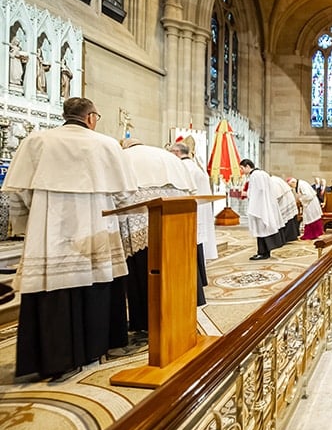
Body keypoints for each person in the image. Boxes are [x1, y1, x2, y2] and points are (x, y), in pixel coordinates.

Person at [3, 97, 138, 382]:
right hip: (95, 229)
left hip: (49, 231)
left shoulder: (37, 140)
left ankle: (53, 358)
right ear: (91, 118)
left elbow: (18, 193)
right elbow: (125, 195)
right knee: (95, 282)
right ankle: (96, 348)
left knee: (54, 288)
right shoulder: (105, 144)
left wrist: (34, 219)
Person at [119, 139, 195, 349]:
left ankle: (145, 321)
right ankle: (177, 313)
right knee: (173, 269)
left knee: (143, 272)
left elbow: (117, 195)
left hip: (140, 222)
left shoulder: (125, 157)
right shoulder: (167, 157)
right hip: (174, 221)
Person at [170, 141, 218, 305]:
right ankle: (201, 278)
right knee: (197, 245)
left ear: (176, 153)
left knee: (192, 244)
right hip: (200, 209)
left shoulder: (184, 167)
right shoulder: (194, 165)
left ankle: (195, 282)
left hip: (191, 210)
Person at [239, 159, 284, 260]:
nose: (242, 171)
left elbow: (259, 191)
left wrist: (247, 194)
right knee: (263, 230)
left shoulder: (255, 175)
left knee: (261, 230)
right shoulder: (262, 173)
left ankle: (262, 253)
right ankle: (263, 252)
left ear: (247, 166)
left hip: (260, 206)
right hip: (265, 204)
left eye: (242, 168)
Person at [268, 172, 299, 243]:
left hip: (285, 201)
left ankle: (287, 237)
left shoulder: (273, 181)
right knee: (288, 219)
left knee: (285, 219)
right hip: (287, 199)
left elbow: (276, 194)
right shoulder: (275, 179)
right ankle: (290, 236)